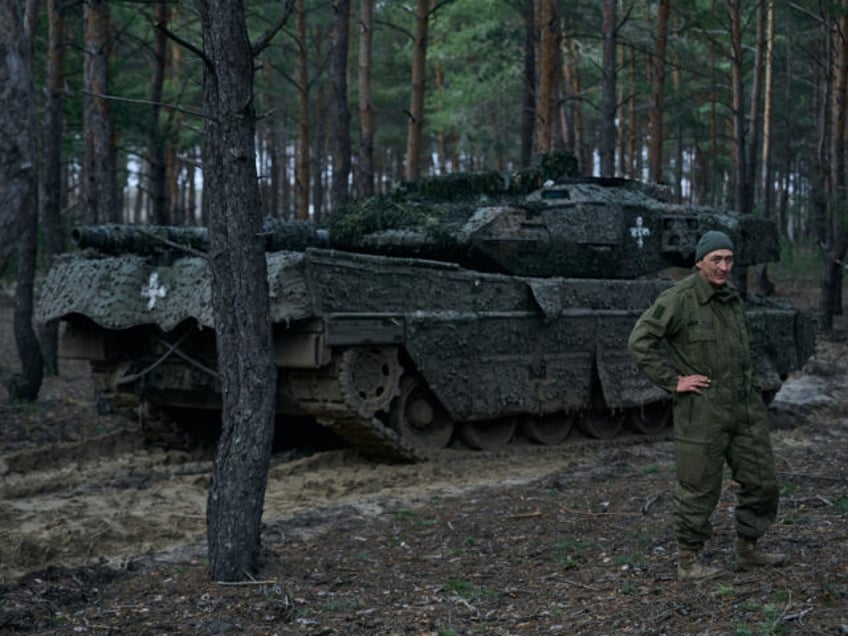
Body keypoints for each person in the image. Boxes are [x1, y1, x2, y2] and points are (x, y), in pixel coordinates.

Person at [627, 230, 787, 580]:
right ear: (699, 261)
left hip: (744, 409)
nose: (724, 266)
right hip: (702, 409)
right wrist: (673, 381)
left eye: (729, 259)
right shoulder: (680, 299)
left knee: (763, 482)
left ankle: (748, 547)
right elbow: (640, 341)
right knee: (698, 488)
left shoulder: (730, 298)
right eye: (716, 259)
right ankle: (689, 561)